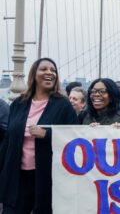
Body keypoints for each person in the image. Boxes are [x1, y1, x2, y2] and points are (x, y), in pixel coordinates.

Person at [0, 58, 78, 213]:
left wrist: (47, 134)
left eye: (53, 70)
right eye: (44, 69)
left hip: (47, 179)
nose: (49, 72)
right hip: (17, 176)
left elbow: (74, 139)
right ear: (34, 74)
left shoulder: (63, 105)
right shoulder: (19, 103)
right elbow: (8, 140)